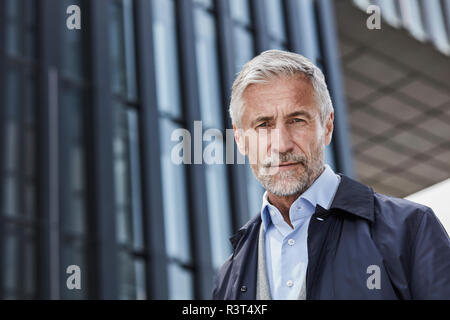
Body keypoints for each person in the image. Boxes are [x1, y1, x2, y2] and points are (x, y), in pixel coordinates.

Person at [212, 50, 450, 300]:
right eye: (263, 125)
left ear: (327, 126)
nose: (281, 145)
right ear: (239, 139)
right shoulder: (229, 275)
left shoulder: (410, 229)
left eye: (297, 120)